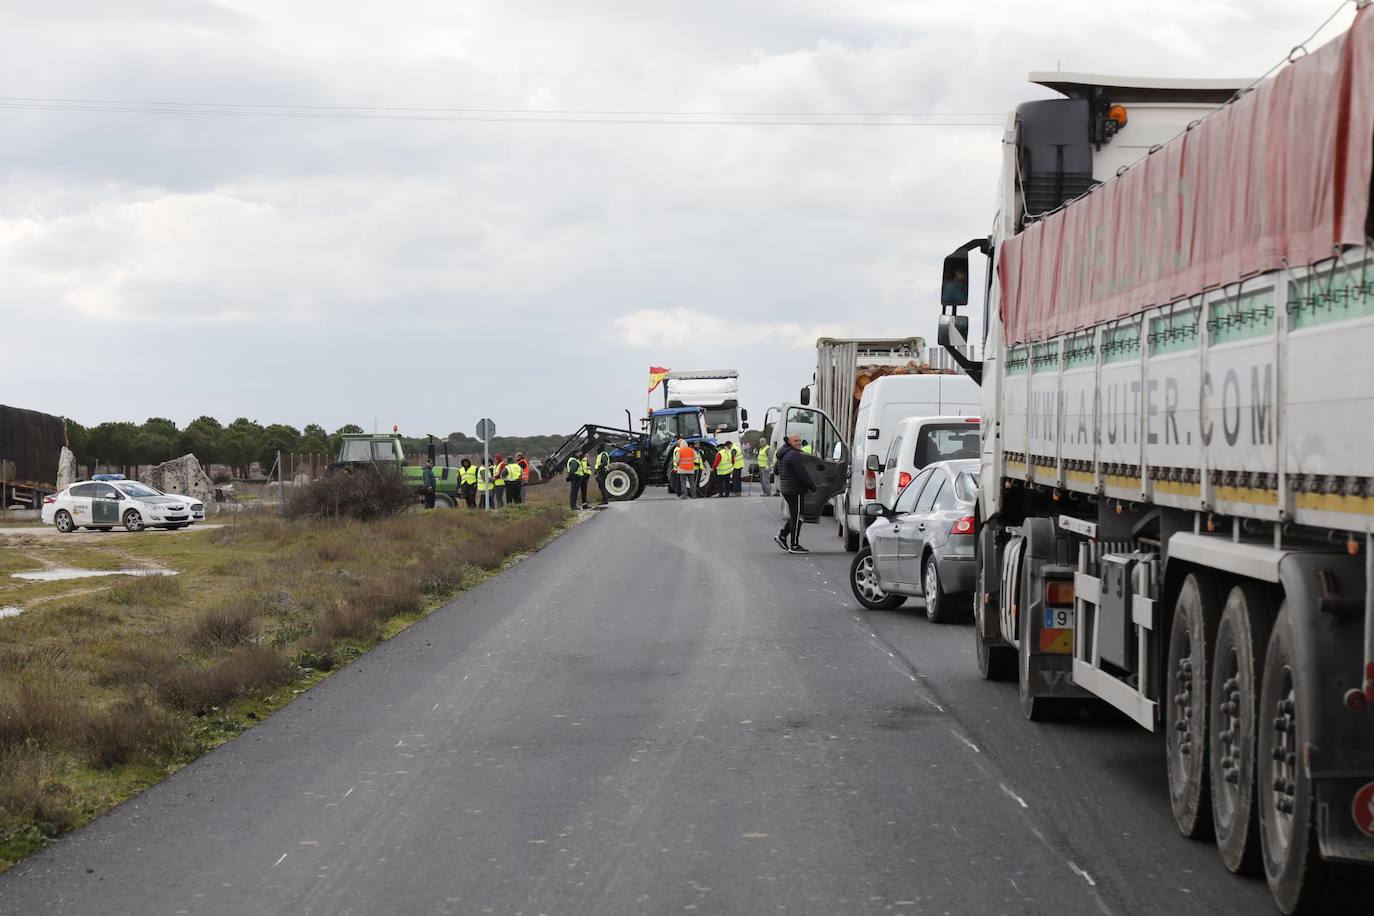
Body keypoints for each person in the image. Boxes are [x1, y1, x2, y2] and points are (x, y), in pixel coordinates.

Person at [775, 433, 815, 553]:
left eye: (800, 441)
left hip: (787, 489)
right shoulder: (794, 455)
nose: (798, 443)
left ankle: (782, 536)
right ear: (790, 442)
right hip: (795, 489)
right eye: (796, 441)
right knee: (797, 517)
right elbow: (802, 474)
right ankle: (794, 545)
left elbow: (776, 470)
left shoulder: (784, 453)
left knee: (796, 516)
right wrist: (812, 486)